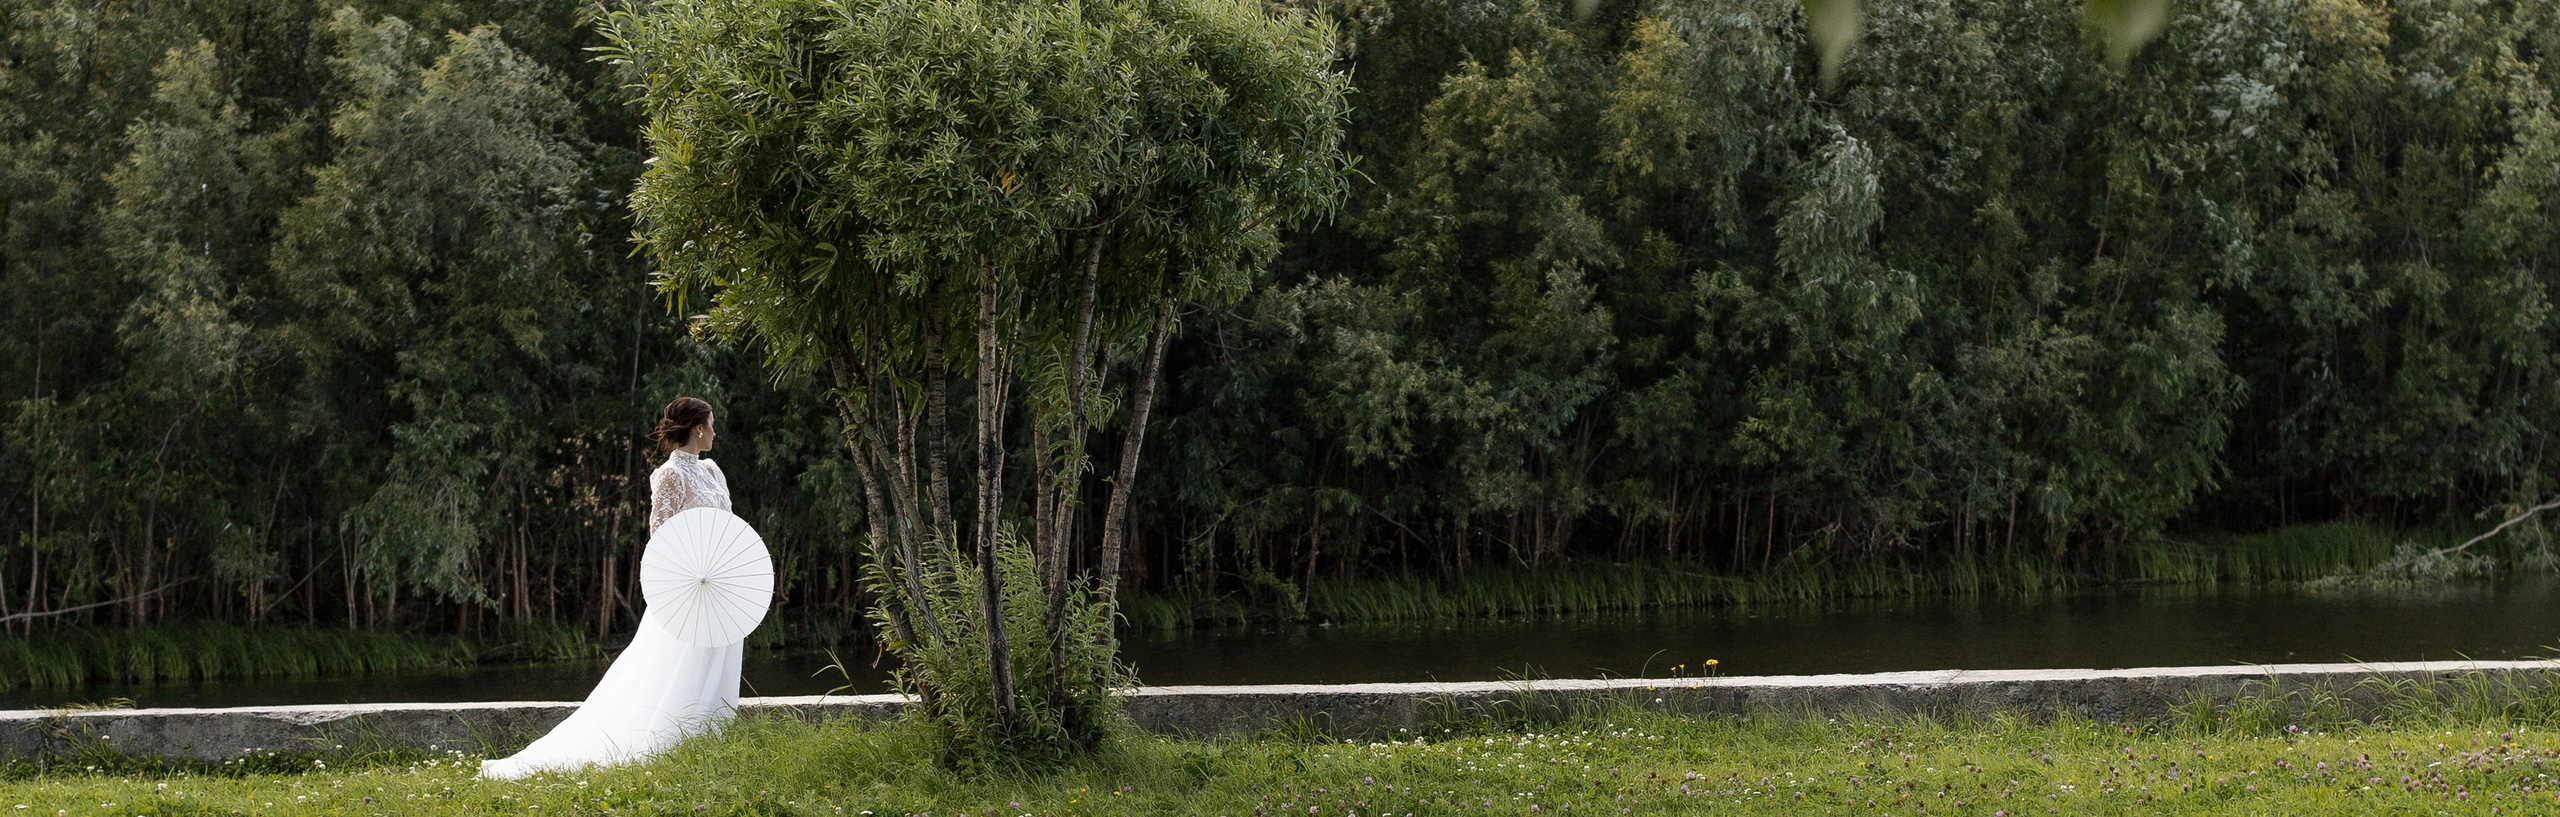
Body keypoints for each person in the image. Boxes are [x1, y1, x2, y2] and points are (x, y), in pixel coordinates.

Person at [481, 396, 748, 779]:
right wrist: (691, 572)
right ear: (698, 428)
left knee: (717, 663)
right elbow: (661, 536)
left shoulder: (713, 472)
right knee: (680, 664)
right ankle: (668, 739)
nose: (715, 431)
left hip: (721, 585)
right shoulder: (669, 475)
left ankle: (708, 739)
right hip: (689, 586)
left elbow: (728, 525)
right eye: (712, 423)